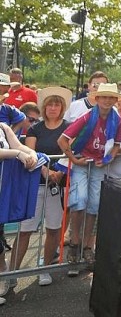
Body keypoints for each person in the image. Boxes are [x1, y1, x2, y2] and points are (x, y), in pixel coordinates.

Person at [9, 86, 72, 287]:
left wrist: (60, 172)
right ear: (44, 107)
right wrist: (46, 171)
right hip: (35, 185)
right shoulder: (35, 128)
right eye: (50, 104)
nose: (53, 108)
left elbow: (71, 152)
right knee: (25, 230)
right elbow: (30, 152)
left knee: (53, 228)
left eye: (57, 104)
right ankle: (11, 273)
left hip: (57, 187)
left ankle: (45, 267)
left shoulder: (69, 127)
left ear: (62, 108)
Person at [58, 82, 121, 272]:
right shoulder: (87, 117)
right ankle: (75, 242)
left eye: (111, 97)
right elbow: (62, 140)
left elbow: (117, 144)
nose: (107, 101)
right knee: (80, 200)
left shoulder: (116, 120)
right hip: (82, 162)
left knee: (94, 204)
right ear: (98, 98)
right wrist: (73, 159)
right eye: (104, 97)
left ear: (115, 100)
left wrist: (109, 157)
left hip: (98, 165)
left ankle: (86, 246)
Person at [0, 118, 40, 301]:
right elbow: (14, 150)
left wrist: (32, 154)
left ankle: (4, 275)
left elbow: (20, 146)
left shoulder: (3, 127)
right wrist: (17, 154)